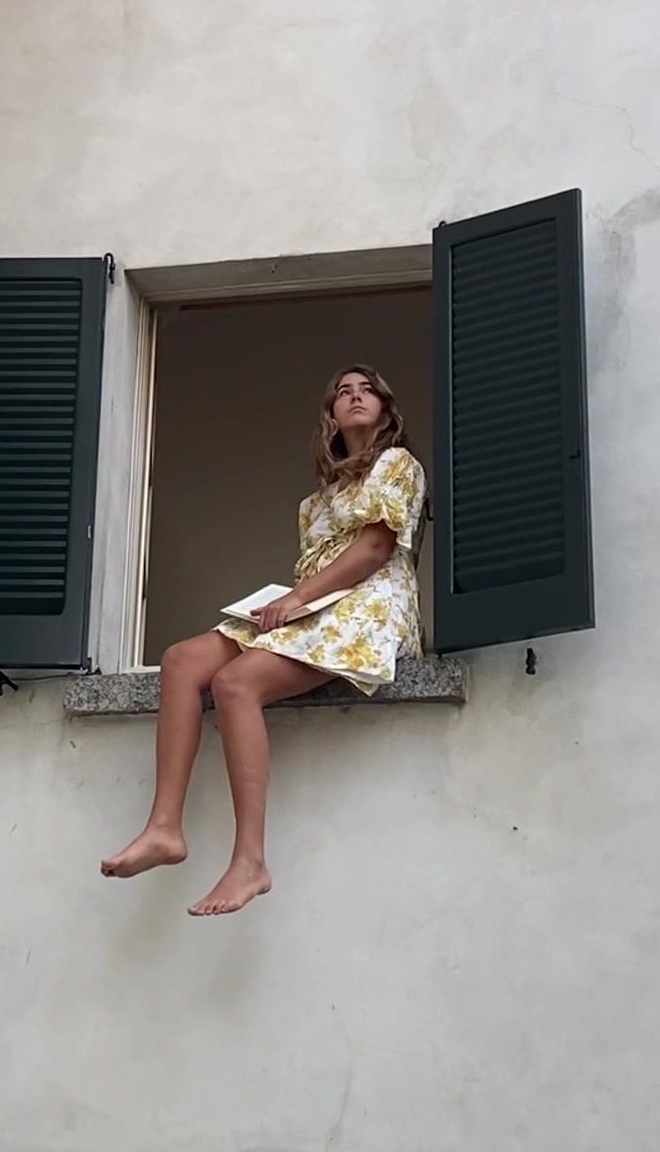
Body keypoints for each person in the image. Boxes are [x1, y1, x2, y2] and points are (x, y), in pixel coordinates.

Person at [101, 365, 426, 917]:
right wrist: (290, 603)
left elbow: (374, 550)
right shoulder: (315, 503)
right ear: (330, 415)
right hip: (316, 605)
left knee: (236, 684)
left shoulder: (398, 464)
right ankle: (164, 827)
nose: (354, 396)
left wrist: (295, 600)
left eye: (366, 389)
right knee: (181, 660)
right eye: (343, 392)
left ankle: (250, 861)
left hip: (371, 606)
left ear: (386, 408)